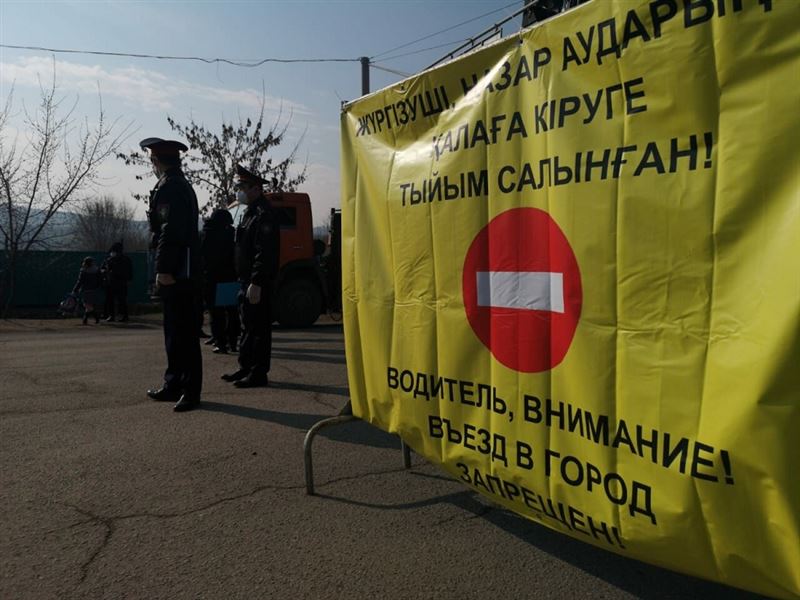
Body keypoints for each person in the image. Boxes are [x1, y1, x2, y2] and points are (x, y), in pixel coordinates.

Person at [141, 137, 203, 412]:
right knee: (174, 332)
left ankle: (189, 390)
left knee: (184, 333)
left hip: (179, 272)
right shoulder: (176, 185)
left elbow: (170, 230)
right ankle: (174, 383)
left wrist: (163, 269)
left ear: (156, 161)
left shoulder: (172, 187)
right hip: (179, 269)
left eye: (152, 161)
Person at [222, 164, 280, 388]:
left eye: (243, 186)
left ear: (256, 188)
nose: (239, 190)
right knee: (247, 325)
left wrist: (257, 281)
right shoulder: (249, 213)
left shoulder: (264, 214)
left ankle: (258, 373)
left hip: (258, 282)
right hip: (245, 280)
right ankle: (245, 366)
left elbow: (264, 251)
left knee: (259, 329)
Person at [201, 208, 240, 354]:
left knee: (216, 313)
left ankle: (220, 342)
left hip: (212, 277)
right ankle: (233, 341)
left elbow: (203, 255)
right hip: (230, 276)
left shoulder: (208, 233)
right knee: (231, 311)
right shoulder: (232, 233)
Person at [101, 241, 133, 322]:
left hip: (120, 282)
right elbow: (103, 268)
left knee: (121, 300)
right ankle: (112, 315)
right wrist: (105, 272)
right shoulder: (109, 259)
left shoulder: (124, 259)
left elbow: (128, 271)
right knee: (111, 300)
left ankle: (123, 316)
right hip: (111, 282)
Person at [72, 256, 102, 324]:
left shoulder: (83, 271)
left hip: (86, 289)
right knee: (88, 304)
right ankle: (93, 318)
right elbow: (100, 280)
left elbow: (80, 281)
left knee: (87, 304)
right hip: (93, 289)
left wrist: (75, 290)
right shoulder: (96, 270)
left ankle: (87, 318)